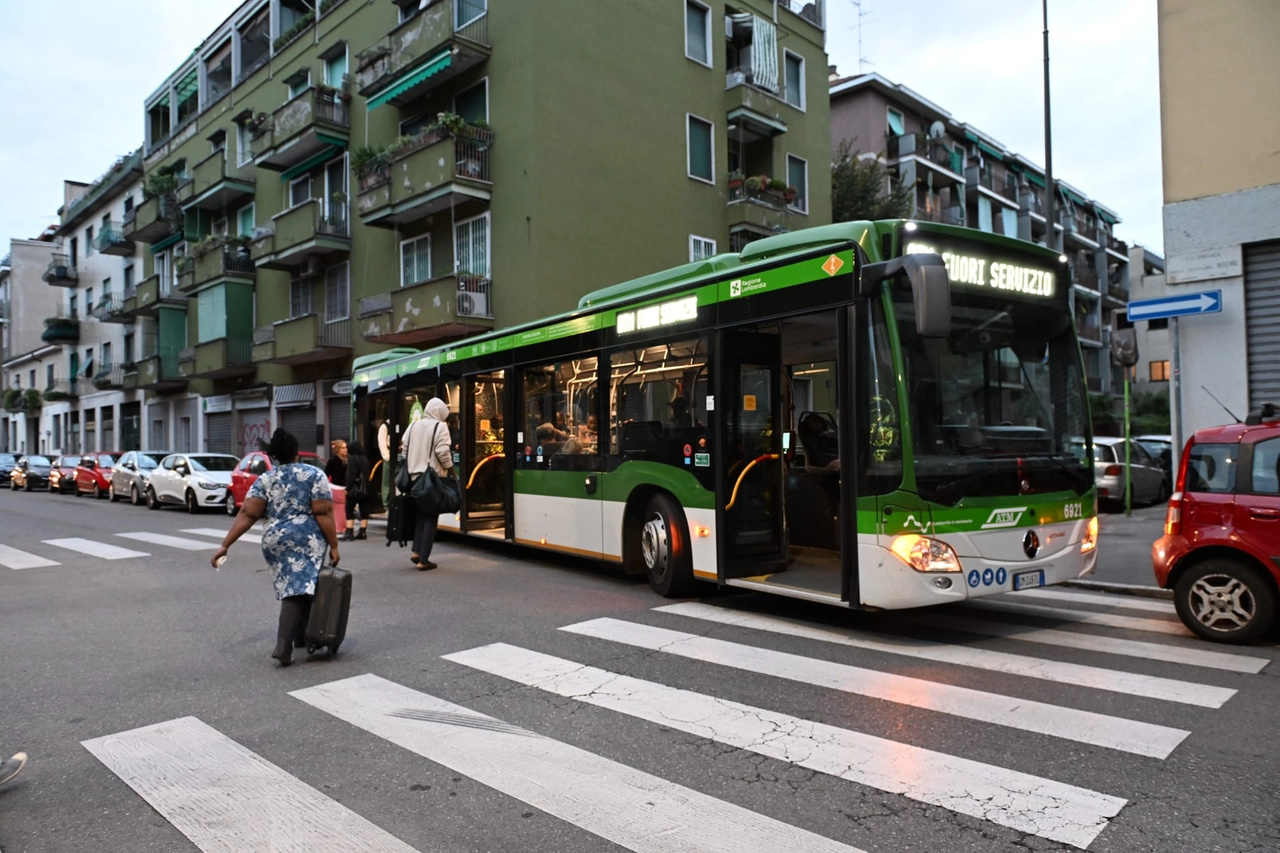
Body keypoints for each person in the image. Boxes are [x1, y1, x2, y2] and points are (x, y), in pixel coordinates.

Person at [212, 429, 340, 667]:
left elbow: (248, 513)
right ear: (296, 450)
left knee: (299, 586)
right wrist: (334, 545)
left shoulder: (266, 479)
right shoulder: (314, 474)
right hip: (306, 539)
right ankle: (283, 646)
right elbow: (323, 512)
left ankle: (301, 638)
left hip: (275, 540)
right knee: (298, 589)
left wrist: (225, 545)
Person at [403, 397, 453, 570]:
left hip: (414, 477)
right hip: (432, 479)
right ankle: (424, 559)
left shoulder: (413, 426)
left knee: (421, 515)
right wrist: (451, 470)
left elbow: (404, 450)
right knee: (431, 516)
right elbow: (443, 452)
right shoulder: (441, 427)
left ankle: (416, 551)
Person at [342, 441, 372, 541]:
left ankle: (349, 531)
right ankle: (363, 531)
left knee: (349, 509)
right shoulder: (365, 459)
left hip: (354, 489)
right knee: (364, 509)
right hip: (365, 489)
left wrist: (347, 488)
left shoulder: (352, 459)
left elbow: (352, 475)